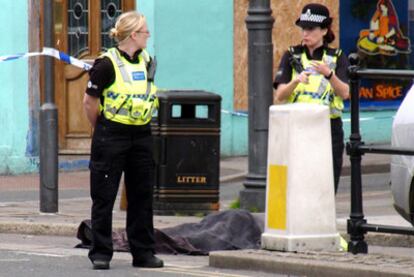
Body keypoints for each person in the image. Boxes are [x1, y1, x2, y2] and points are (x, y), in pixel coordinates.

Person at [83, 11, 163, 270]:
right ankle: (101, 253)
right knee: (104, 195)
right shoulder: (106, 64)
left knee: (142, 196)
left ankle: (143, 252)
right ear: (133, 35)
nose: (148, 35)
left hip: (141, 135)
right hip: (111, 135)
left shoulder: (147, 61)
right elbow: (89, 102)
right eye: (145, 32)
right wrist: (101, 129)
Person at [273, 3, 350, 193]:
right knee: (298, 184)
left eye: (311, 28)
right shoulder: (292, 56)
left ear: (324, 30)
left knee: (326, 184)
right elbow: (280, 95)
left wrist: (329, 74)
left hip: (328, 128)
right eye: (303, 28)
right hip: (298, 126)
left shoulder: (337, 57)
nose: (305, 33)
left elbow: (346, 93)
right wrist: (296, 81)